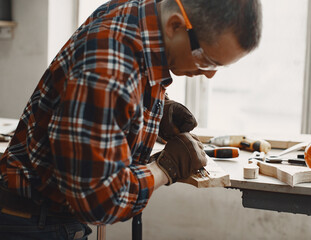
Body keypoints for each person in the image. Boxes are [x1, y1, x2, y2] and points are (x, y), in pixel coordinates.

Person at [0, 0, 262, 238]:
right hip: (31, 223)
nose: (209, 76)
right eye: (206, 60)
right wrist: (165, 168)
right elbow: (100, 201)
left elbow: (124, 87)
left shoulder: (137, 16)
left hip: (46, 215)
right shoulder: (107, 65)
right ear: (175, 25)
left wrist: (158, 111)